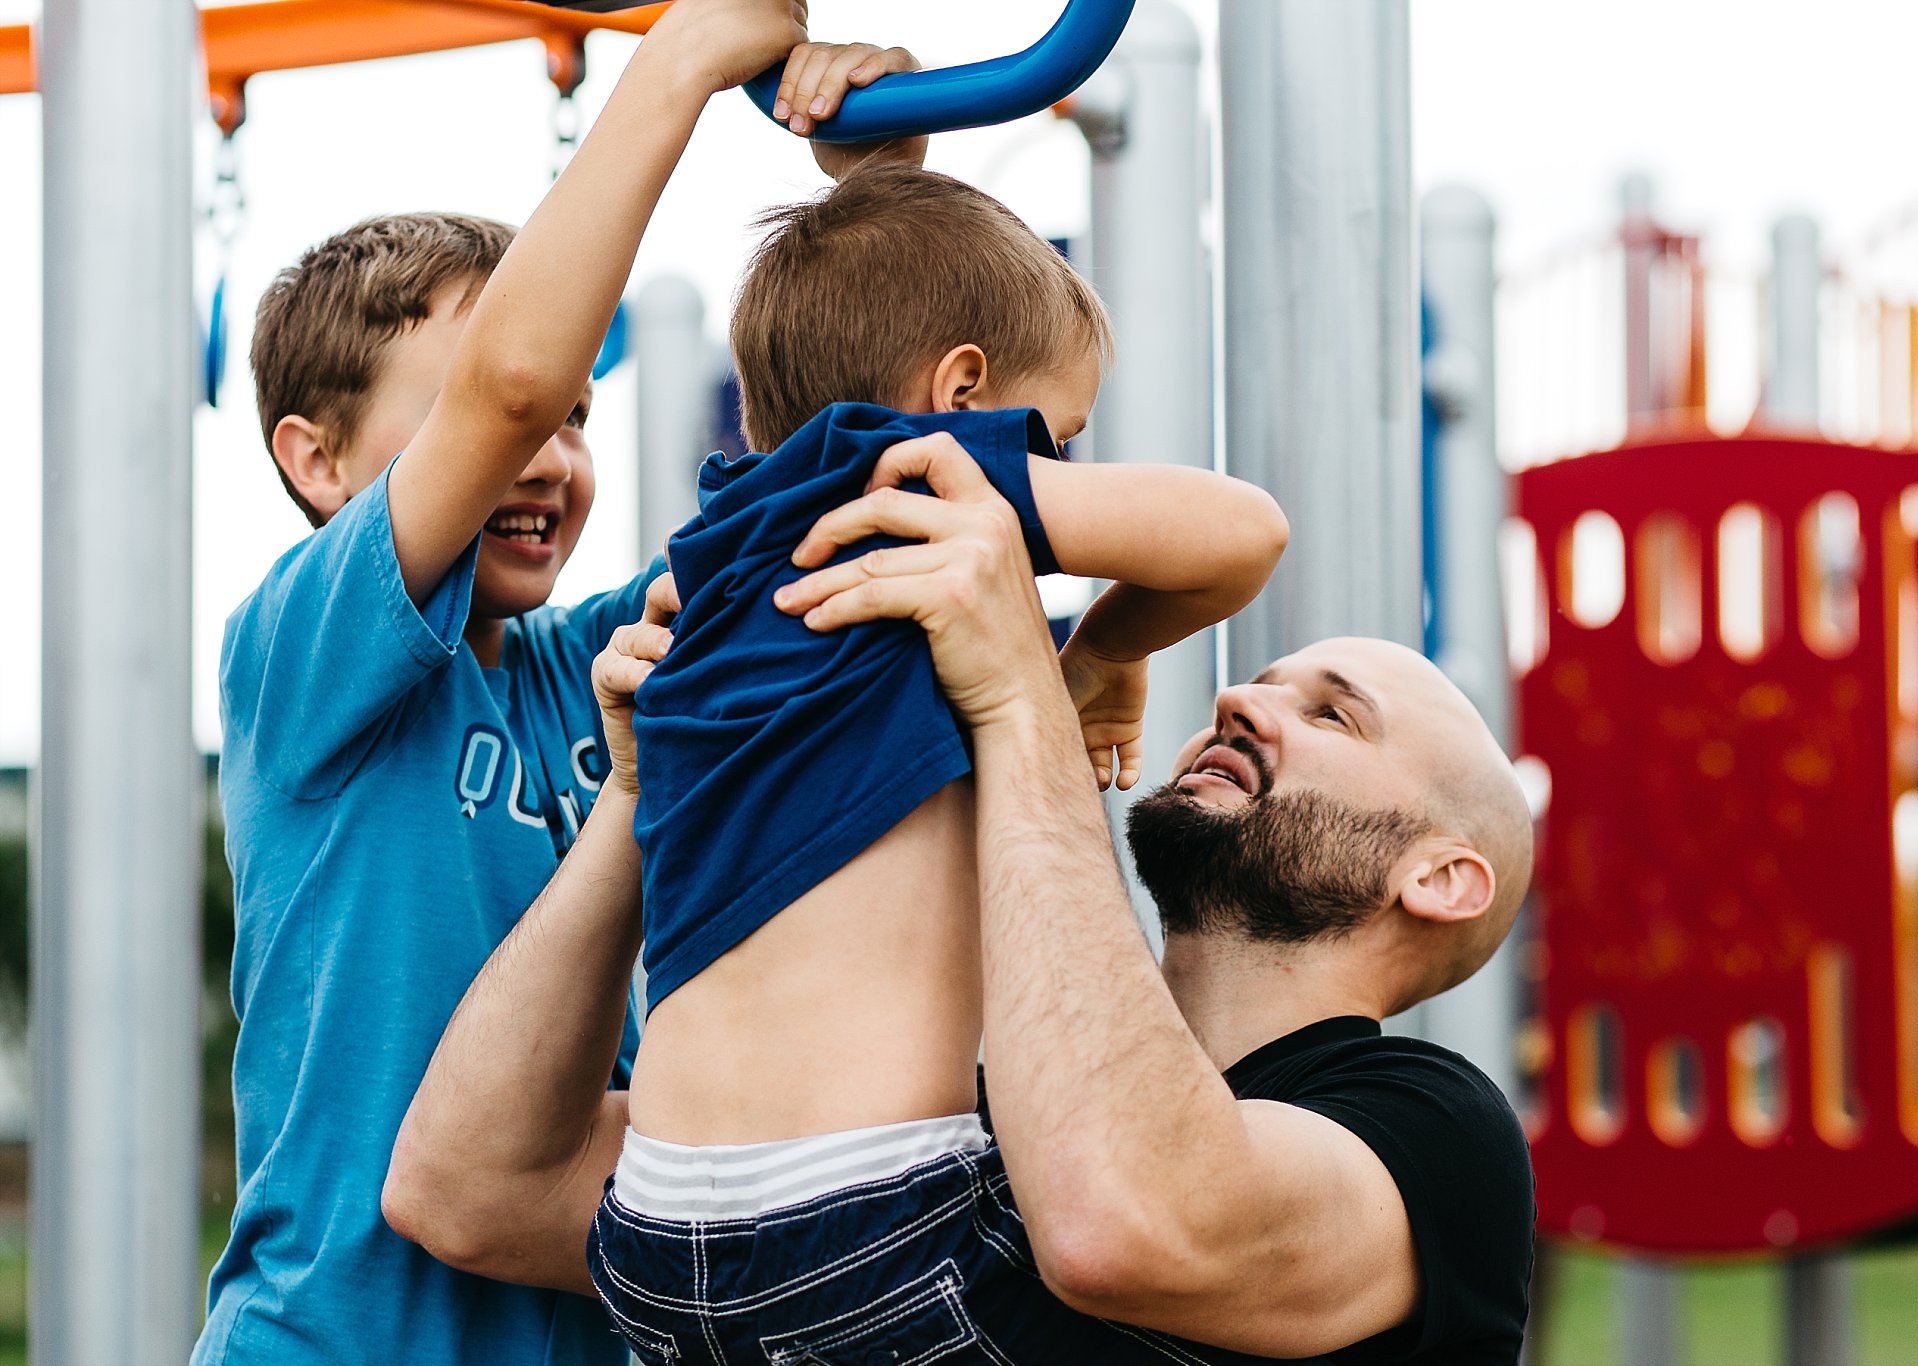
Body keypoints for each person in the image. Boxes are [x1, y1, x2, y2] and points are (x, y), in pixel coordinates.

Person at [386, 436, 1538, 1361]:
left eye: (1331, 714)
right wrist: (633, 802)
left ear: (1437, 876)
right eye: (1262, 680)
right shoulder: (964, 1104)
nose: (1238, 696)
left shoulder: (1435, 1134)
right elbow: (473, 1187)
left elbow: (1124, 1220)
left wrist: (1015, 692)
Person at [196, 4, 920, 1360]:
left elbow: (849, 493)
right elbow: (513, 384)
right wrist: (686, 62)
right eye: (500, 416)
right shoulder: (298, 651)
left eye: (582, 419)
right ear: (318, 461)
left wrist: (883, 195)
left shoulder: (588, 662)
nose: (552, 451)